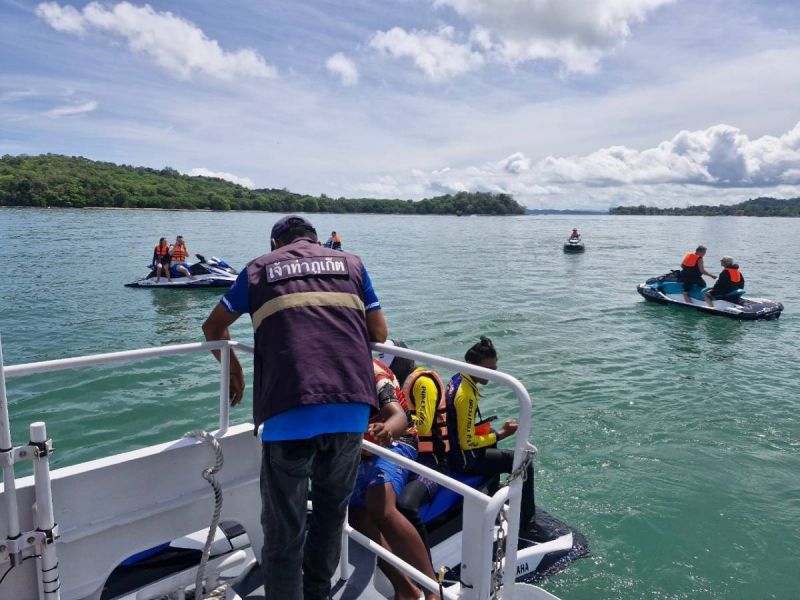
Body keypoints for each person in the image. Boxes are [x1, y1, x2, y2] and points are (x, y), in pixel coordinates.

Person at [201, 215, 388, 600]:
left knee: (283, 528)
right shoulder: (351, 263)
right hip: (351, 409)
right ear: (316, 241)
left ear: (276, 245)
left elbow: (213, 328)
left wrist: (233, 368)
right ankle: (318, 594)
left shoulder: (258, 269)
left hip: (288, 411)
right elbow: (379, 333)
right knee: (330, 516)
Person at [348, 353, 439, 600]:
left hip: (397, 439)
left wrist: (386, 430)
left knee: (380, 504)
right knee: (356, 515)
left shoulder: (374, 373)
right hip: (362, 448)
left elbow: (398, 415)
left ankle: (432, 591)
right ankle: (405, 588)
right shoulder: (329, 374)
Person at [445, 336, 536, 533]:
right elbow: (467, 442)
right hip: (463, 460)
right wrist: (504, 433)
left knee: (490, 434)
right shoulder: (465, 395)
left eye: (494, 369)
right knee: (522, 462)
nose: (493, 374)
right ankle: (527, 523)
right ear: (473, 365)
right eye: (488, 370)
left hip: (452, 451)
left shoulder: (458, 379)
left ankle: (491, 492)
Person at [395, 354, 452, 553]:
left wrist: (394, 421)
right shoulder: (395, 385)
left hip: (431, 462)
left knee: (406, 504)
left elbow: (424, 423)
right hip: (409, 454)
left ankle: (423, 565)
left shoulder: (423, 383)